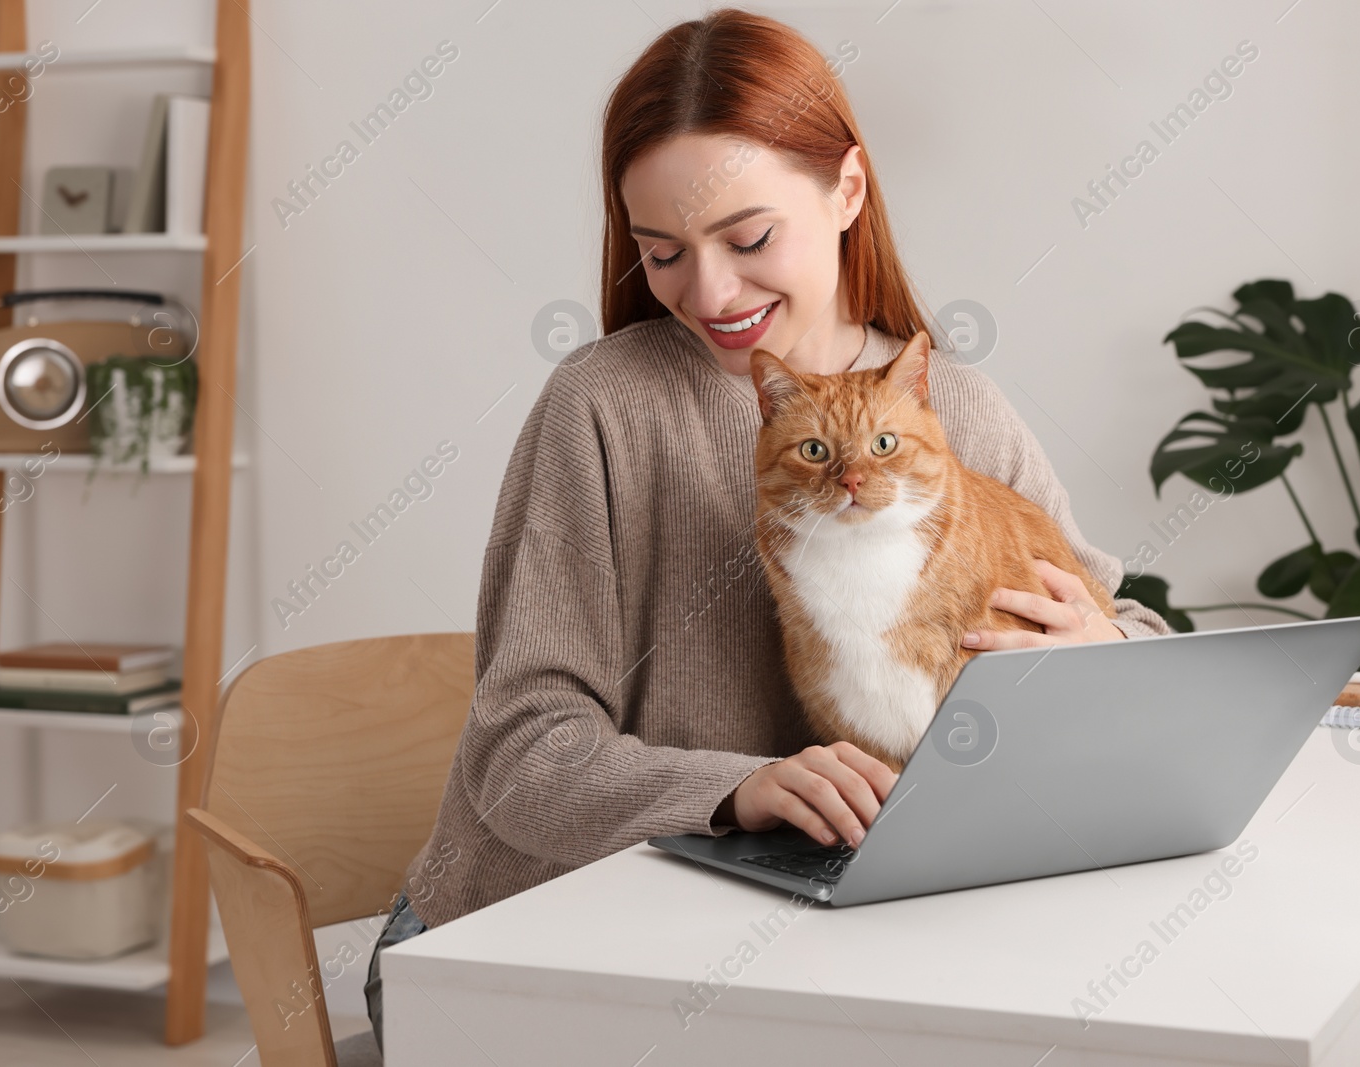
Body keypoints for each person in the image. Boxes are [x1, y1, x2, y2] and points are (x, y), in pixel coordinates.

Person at [363, 6, 1171, 1049]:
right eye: (661, 252)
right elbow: (522, 754)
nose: (709, 291)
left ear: (846, 188)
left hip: (785, 947)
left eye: (748, 238)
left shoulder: (947, 411)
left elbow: (1138, 629)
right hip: (517, 947)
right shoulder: (605, 405)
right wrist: (732, 788)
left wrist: (1103, 651)